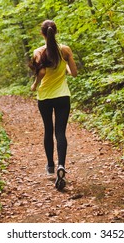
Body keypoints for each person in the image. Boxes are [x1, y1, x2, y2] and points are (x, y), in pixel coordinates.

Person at [29, 20, 77, 191]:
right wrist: (67, 70)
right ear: (55, 32)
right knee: (60, 132)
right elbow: (75, 73)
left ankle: (50, 165)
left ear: (42, 33)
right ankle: (61, 165)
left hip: (45, 97)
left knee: (48, 130)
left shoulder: (38, 52)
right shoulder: (65, 50)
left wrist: (35, 84)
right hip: (63, 96)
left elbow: (41, 72)